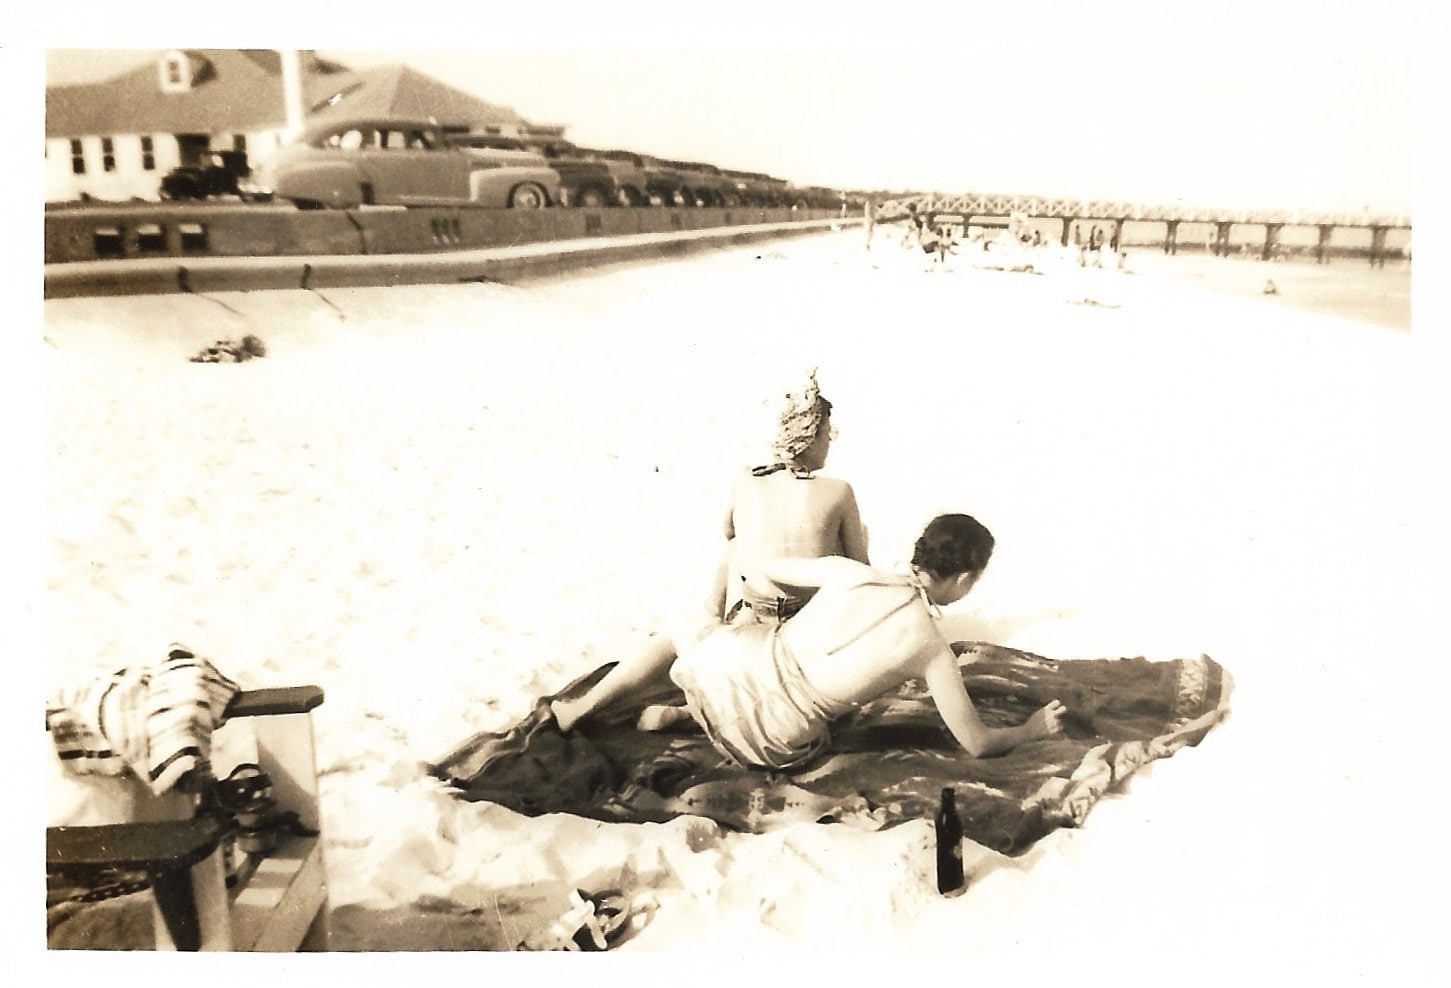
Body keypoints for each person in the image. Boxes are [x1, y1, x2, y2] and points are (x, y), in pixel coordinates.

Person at [551, 514, 1067, 768]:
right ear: (963, 579)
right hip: (772, 742)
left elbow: (752, 565)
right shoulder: (931, 647)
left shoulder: (848, 574)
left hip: (729, 676)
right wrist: (1029, 730)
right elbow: (977, 743)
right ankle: (686, 715)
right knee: (838, 703)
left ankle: (583, 710)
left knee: (683, 632)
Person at [709, 368, 870, 626]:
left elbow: (729, 533)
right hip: (809, 615)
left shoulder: (745, 479)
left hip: (757, 608)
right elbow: (861, 569)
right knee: (860, 532)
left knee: (737, 543)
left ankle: (713, 614)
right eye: (827, 433)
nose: (830, 441)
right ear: (811, 438)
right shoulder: (839, 491)